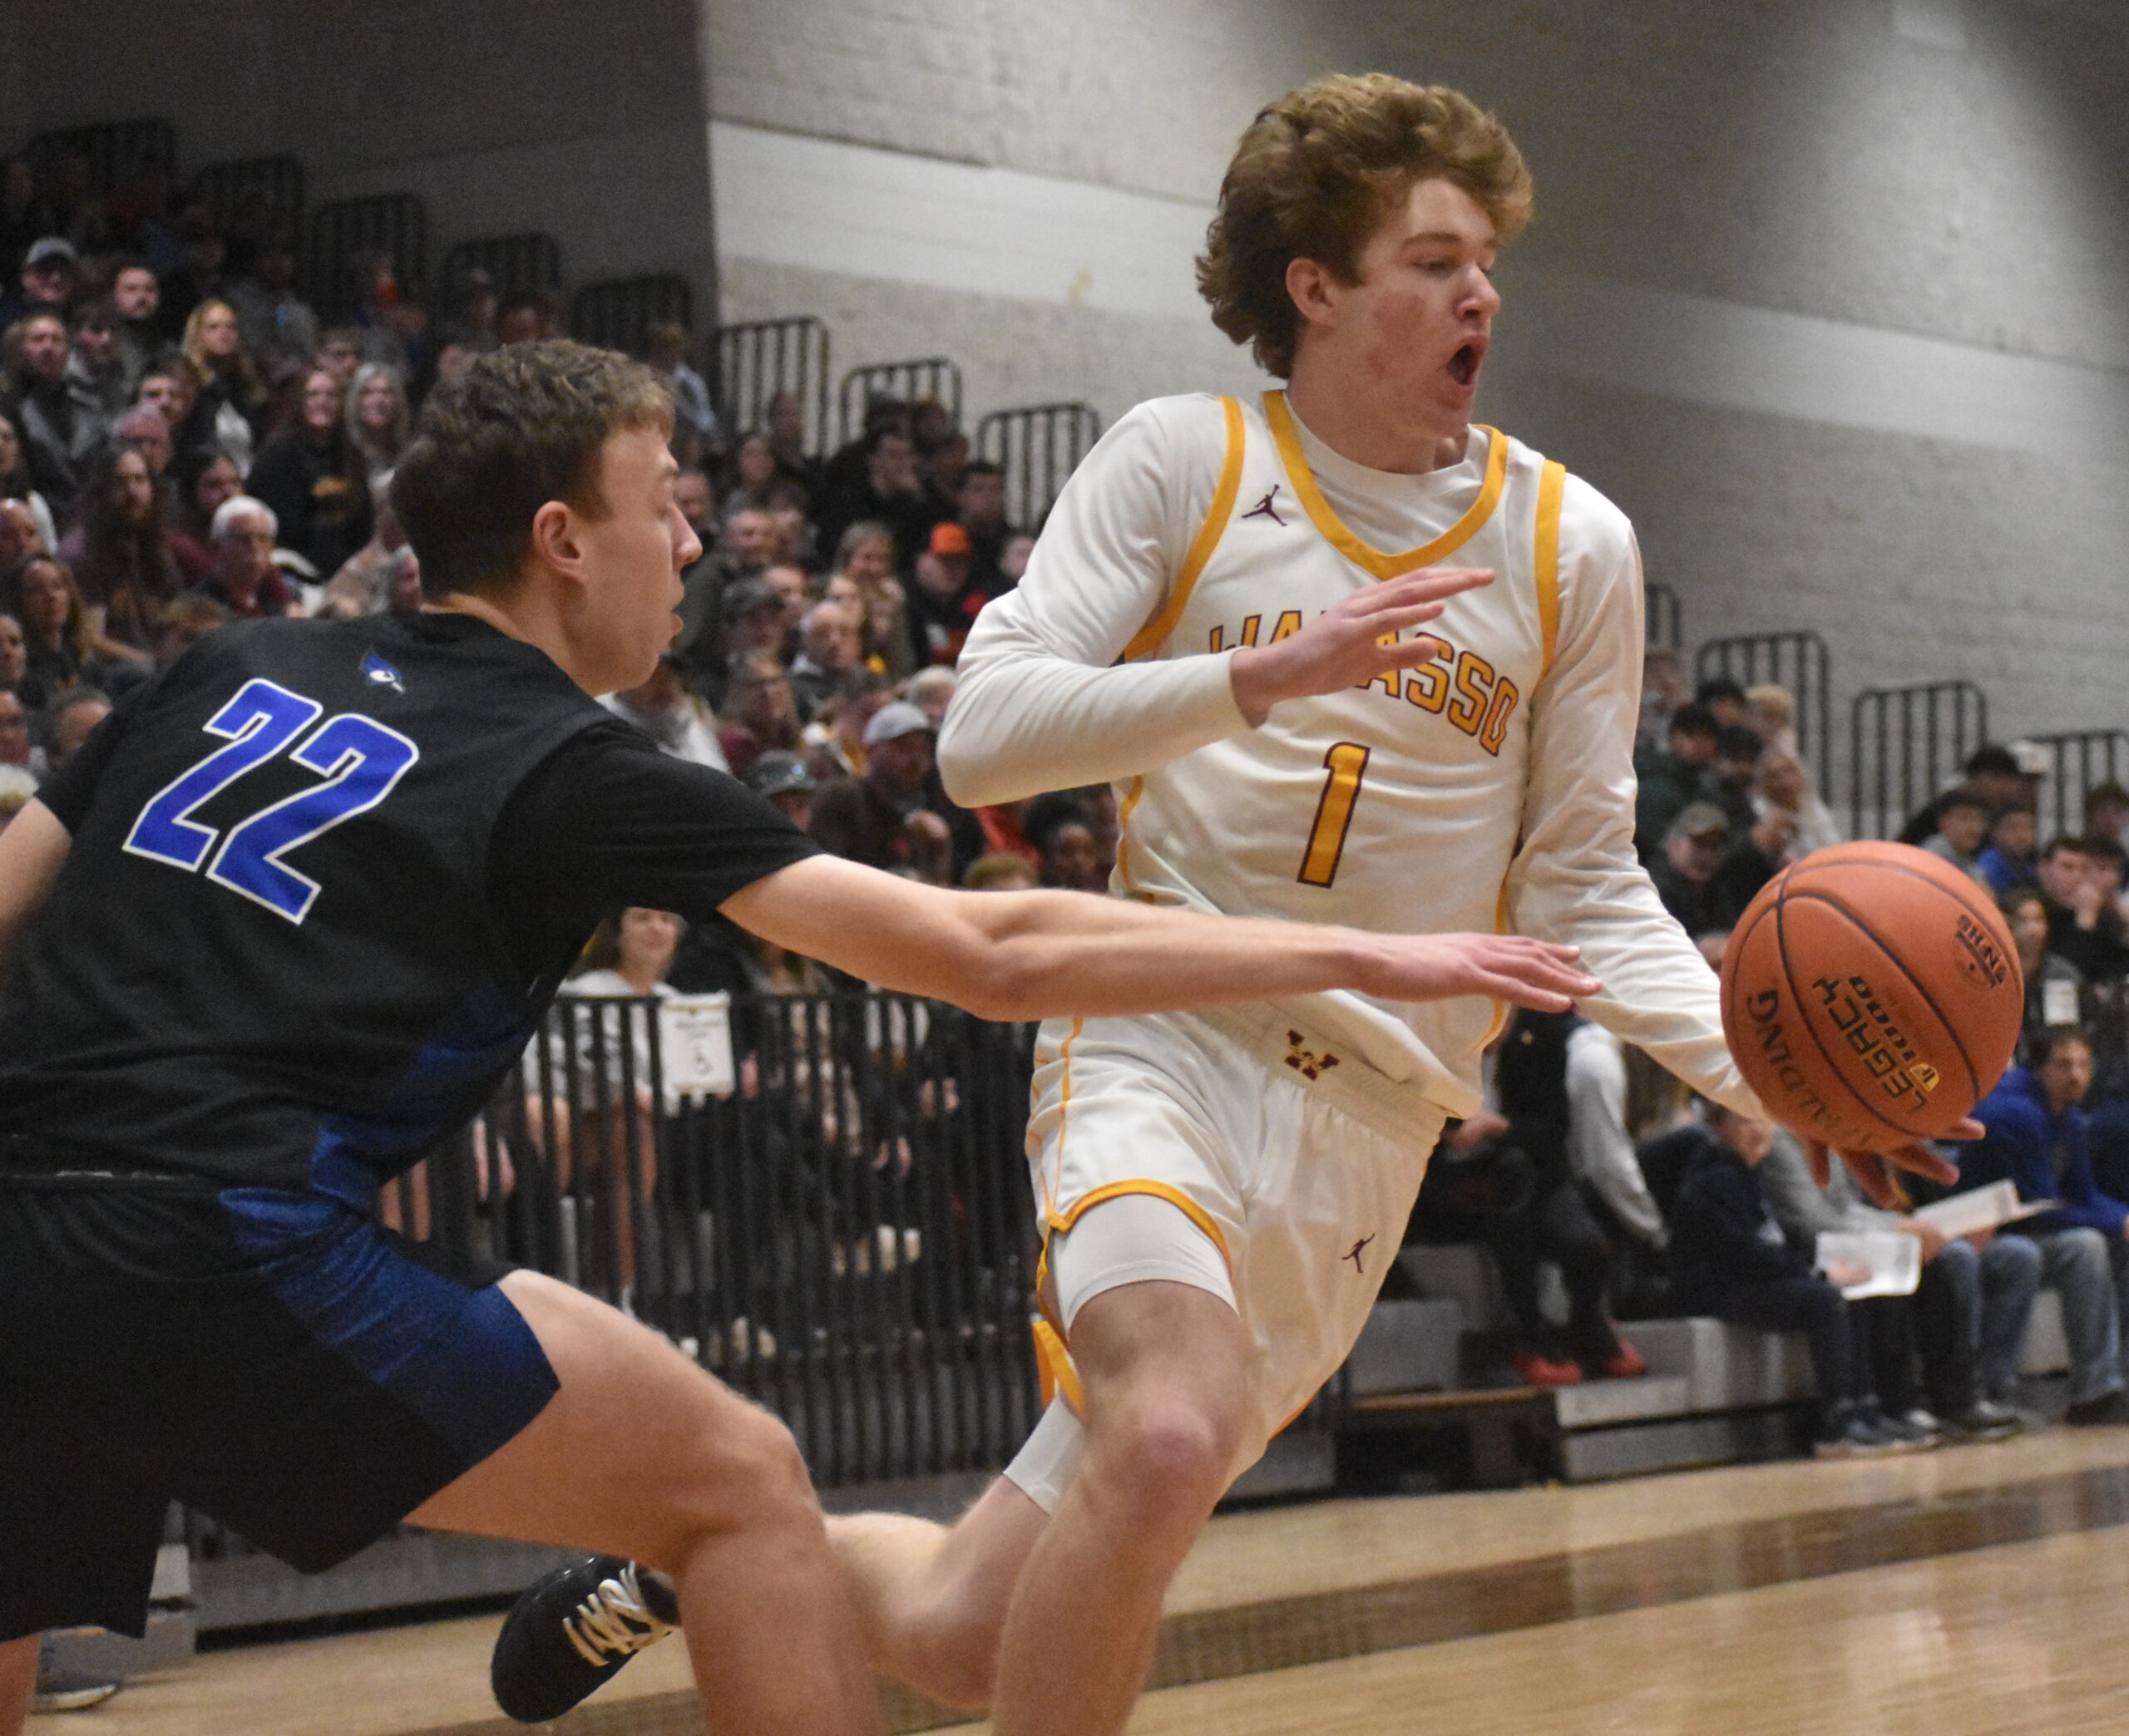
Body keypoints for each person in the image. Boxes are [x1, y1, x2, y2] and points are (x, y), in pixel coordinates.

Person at [495, 76, 1963, 1736]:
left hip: (1369, 1134)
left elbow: (1583, 889)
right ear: (1315, 286)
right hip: (1162, 1032)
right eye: (1432, 262)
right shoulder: (1185, 459)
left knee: (974, 1635)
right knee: (1171, 1424)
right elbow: (982, 736)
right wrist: (1257, 676)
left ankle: (705, 1562)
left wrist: (1777, 1079)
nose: (1479, 294)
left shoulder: (1573, 546)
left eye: (1485, 262)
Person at [0, 338, 1589, 1736]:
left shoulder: (222, 664)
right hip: (228, 1242)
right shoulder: (571, 765)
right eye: (664, 505)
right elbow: (988, 949)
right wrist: (1370, 950)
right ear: (563, 540)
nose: (691, 542)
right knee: (743, 1484)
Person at [1668, 1104, 1906, 1456]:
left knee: (1847, 1290)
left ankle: (1866, 1409)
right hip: (1713, 1287)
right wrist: (1818, 1273)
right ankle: (1838, 1423)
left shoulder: (1749, 1171)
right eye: (1745, 1121)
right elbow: (1746, 1254)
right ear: (1718, 1126)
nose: (1757, 1130)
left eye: (1763, 1120)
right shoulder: (1714, 1178)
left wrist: (1821, 1272)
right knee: (1825, 1299)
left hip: (1744, 1278)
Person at [1957, 1028, 2129, 1424]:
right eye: (2064, 1065)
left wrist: (2122, 1217)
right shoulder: (2016, 1112)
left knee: (2099, 1243)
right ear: (2038, 1068)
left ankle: (2099, 1389)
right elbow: (2043, 1208)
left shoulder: (2067, 1115)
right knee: (2079, 1245)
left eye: (2084, 1064)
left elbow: (2084, 1195)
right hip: (1982, 1234)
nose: (2077, 1075)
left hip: (2023, 1230)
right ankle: (1995, 1389)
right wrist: (2118, 1220)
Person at [245, 364, 373, 580]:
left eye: (331, 395)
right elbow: (283, 524)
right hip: (290, 564)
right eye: (313, 395)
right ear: (300, 402)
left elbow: (362, 521)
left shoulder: (351, 454)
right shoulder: (278, 453)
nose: (322, 401)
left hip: (345, 566)